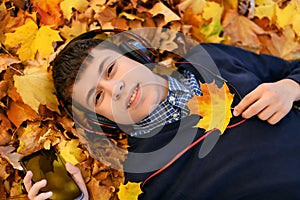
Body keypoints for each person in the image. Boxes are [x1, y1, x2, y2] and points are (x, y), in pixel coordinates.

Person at [23, 30, 300, 200]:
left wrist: (291, 87)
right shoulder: (145, 180)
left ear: (134, 54)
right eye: (98, 97)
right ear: (101, 120)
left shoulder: (210, 59)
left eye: (110, 70)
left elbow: (292, 68)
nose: (115, 88)